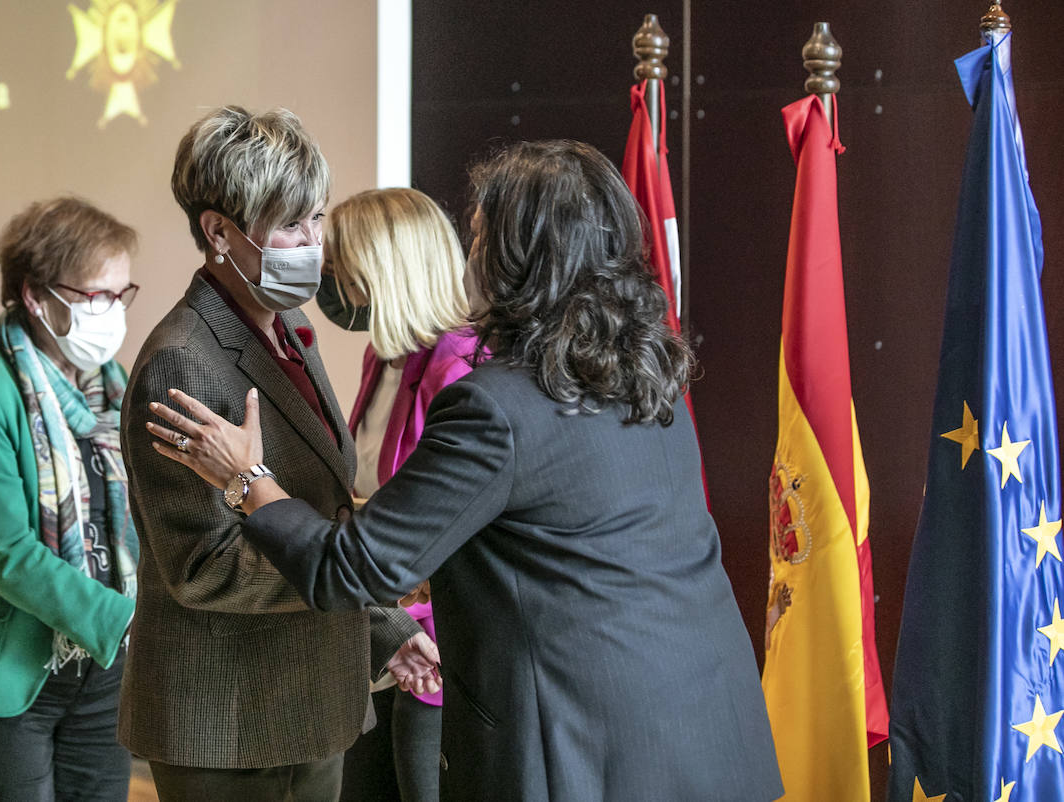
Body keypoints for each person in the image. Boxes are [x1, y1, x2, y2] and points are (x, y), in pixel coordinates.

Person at [143, 140, 786, 801]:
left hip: (584, 753)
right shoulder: (653, 380)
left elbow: (351, 568)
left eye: (477, 237)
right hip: (711, 732)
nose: (465, 259)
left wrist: (250, 481)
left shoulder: (495, 406)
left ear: (512, 261)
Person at [117, 105, 437, 802]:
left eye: (316, 219)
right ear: (218, 231)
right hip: (234, 722)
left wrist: (382, 626)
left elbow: (319, 514)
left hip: (310, 702)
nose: (312, 243)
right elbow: (204, 567)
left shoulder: (289, 324)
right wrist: (355, 590)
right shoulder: (183, 362)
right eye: (291, 224)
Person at [0, 196, 142, 801]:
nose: (113, 314)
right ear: (37, 297)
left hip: (103, 669)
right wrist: (128, 620)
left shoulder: (118, 390)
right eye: (96, 297)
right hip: (7, 666)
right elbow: (4, 551)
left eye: (121, 295)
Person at [314, 188, 476, 802]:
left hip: (433, 650)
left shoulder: (456, 366)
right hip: (380, 632)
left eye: (339, 268)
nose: (328, 283)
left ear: (384, 267)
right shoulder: (382, 353)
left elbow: (458, 529)